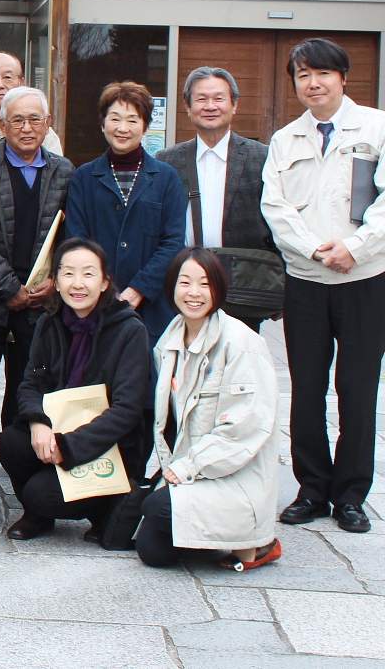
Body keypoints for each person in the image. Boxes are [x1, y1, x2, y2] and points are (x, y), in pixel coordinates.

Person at [263, 37, 385, 534]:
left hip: (365, 278)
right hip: (307, 281)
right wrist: (316, 250)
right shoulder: (285, 139)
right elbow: (276, 209)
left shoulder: (376, 127)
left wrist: (355, 247)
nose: (313, 84)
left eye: (323, 74)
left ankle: (351, 495)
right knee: (307, 388)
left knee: (358, 388)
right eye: (303, 76)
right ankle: (312, 488)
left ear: (343, 77)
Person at [0, 86, 73, 505]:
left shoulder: (64, 172)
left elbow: (70, 236)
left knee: (30, 386)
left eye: (34, 119)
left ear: (48, 124)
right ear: (1, 125)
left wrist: (55, 282)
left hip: (43, 304)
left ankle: (23, 466)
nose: (26, 128)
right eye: (17, 120)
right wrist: (10, 288)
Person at [137, 248, 281, 570]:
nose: (194, 293)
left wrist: (187, 469)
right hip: (197, 471)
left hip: (233, 472)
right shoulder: (170, 340)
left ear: (219, 288)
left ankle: (259, 546)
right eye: (185, 282)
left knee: (158, 509)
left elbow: (243, 432)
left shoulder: (242, 343)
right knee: (152, 551)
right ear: (172, 287)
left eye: (205, 284)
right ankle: (212, 534)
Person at [0, 237, 151, 541]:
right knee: (11, 443)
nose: (77, 284)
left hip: (108, 445)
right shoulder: (49, 323)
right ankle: (37, 517)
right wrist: (38, 423)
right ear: (55, 282)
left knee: (41, 493)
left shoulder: (130, 330)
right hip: (60, 429)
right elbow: (30, 383)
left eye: (88, 274)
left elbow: (127, 410)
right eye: (68, 274)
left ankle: (104, 507)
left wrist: (68, 448)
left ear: (106, 282)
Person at [65, 81, 187, 343]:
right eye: (115, 118)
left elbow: (173, 242)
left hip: (153, 306)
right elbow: (76, 240)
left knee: (150, 379)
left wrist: (138, 289)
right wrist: (101, 288)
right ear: (103, 123)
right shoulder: (84, 177)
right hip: (94, 304)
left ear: (145, 126)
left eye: (132, 120)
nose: (122, 128)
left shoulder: (166, 178)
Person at [156, 67, 277, 327]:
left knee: (239, 363)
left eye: (219, 98)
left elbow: (277, 220)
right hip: (185, 286)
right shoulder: (167, 160)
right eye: (201, 99)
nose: (210, 106)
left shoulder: (262, 157)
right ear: (187, 106)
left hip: (243, 287)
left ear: (234, 105)